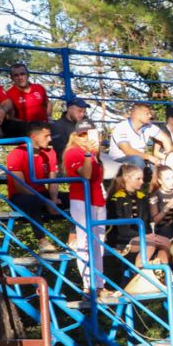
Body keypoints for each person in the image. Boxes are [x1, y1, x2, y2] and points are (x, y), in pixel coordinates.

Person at [62, 122, 106, 291]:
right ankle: (89, 285)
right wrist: (88, 153)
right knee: (85, 243)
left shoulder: (95, 153)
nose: (86, 138)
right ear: (75, 135)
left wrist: (94, 152)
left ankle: (99, 284)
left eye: (89, 134)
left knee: (98, 244)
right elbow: (86, 175)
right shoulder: (73, 152)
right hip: (82, 200)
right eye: (82, 134)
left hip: (97, 200)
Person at [108, 103, 172, 170]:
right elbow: (128, 151)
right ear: (137, 114)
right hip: (119, 161)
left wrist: (169, 158)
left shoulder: (149, 126)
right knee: (137, 160)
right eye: (147, 114)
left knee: (160, 167)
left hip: (141, 159)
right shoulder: (122, 127)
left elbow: (165, 139)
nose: (150, 116)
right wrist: (150, 158)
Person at [4, 62, 49, 129]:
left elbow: (47, 103)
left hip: (44, 127)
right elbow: (10, 118)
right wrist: (27, 125)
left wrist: (48, 117)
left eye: (22, 74)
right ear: (12, 78)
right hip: (24, 130)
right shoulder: (9, 94)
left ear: (28, 75)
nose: (20, 77)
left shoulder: (39, 88)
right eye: (16, 75)